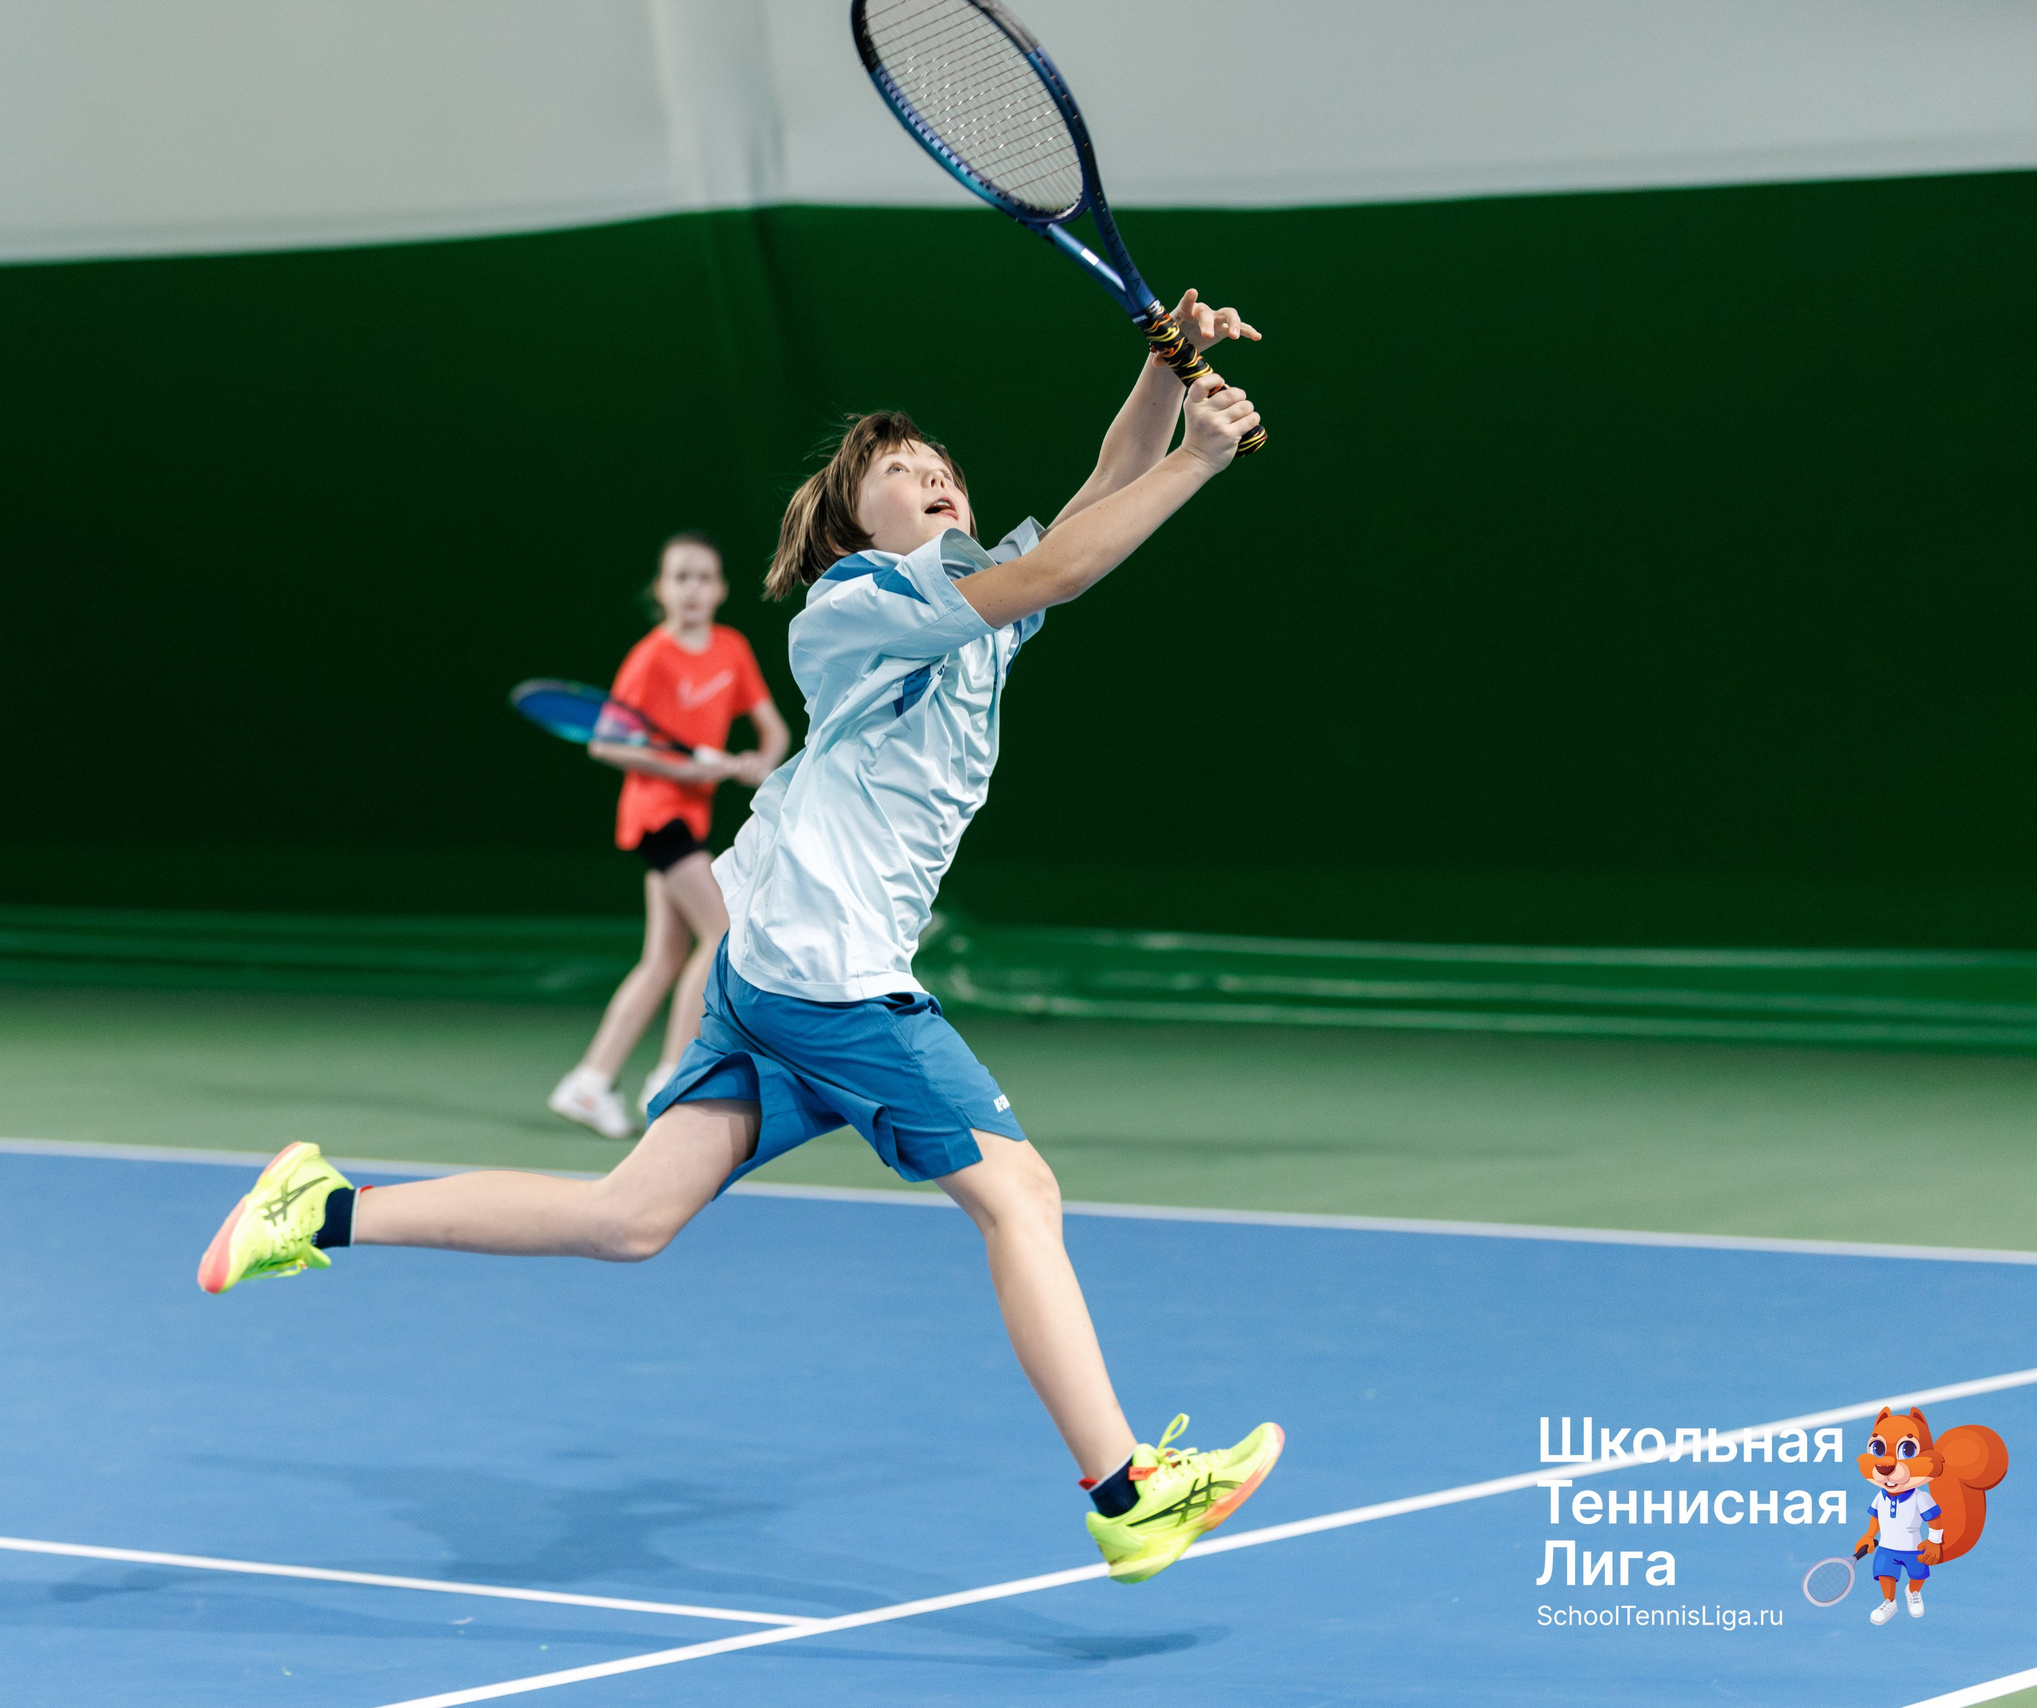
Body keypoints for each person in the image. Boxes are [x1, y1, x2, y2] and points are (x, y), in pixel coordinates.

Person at [198, 292, 1281, 1586]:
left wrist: (1164, 370)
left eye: (943, 468)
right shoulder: (858, 603)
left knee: (629, 1216)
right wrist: (1203, 464)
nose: (935, 479)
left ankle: (315, 1211)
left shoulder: (973, 605)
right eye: (902, 473)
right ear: (849, 520)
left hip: (774, 964)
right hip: (828, 976)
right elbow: (1067, 562)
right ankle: (1128, 1492)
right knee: (1021, 1194)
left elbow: (1104, 488)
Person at [546, 534, 790, 1138]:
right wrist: (684, 769)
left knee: (663, 959)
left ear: (721, 590)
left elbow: (774, 731)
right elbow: (607, 742)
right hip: (659, 816)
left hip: (695, 816)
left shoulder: (731, 649)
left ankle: (589, 1082)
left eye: (704, 578)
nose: (692, 590)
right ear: (661, 590)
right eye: (680, 578)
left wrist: (758, 761)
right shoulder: (650, 657)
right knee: (722, 933)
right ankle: (670, 1073)